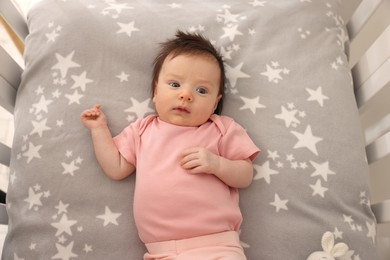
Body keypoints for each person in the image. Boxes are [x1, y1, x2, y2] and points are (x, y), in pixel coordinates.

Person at [81, 30, 260, 260]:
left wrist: (217, 164)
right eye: (175, 84)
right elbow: (116, 168)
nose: (186, 95)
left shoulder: (220, 128)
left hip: (217, 246)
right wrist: (99, 130)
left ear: (215, 102)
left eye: (201, 90)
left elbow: (245, 175)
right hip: (161, 252)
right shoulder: (142, 130)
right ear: (156, 91)